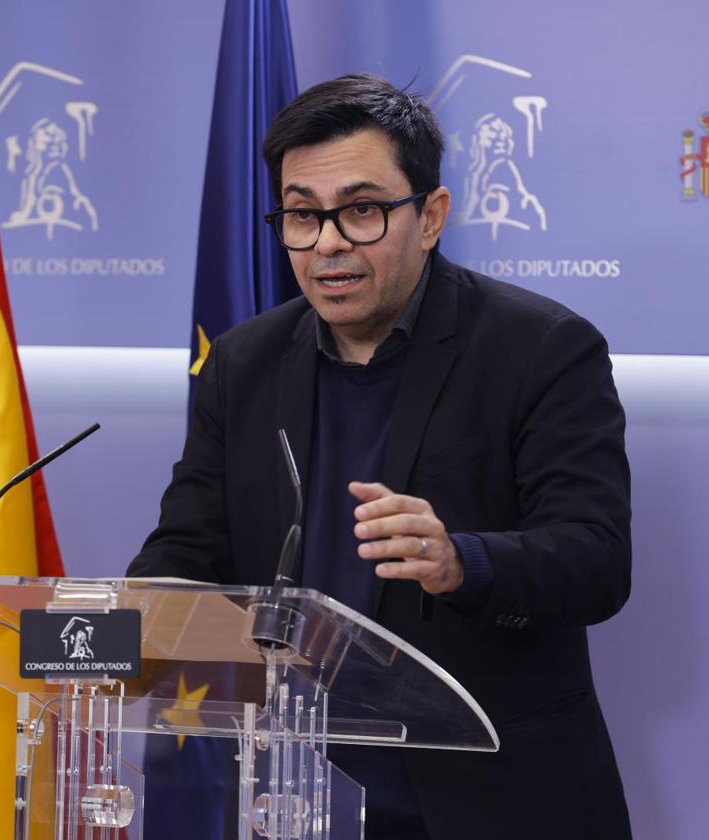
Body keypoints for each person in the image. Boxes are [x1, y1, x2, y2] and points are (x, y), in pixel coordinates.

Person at [127, 74, 632, 839]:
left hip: (488, 800)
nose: (327, 241)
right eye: (302, 215)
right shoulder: (243, 362)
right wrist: (121, 620)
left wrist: (461, 560)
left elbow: (597, 561)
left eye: (361, 210)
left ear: (431, 215)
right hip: (290, 794)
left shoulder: (542, 350)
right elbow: (187, 547)